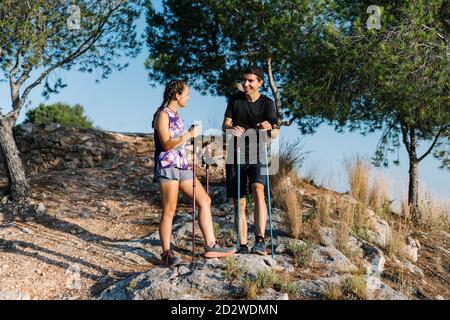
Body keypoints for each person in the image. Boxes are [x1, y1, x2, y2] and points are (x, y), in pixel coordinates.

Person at [153, 79, 236, 267]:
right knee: (169, 210)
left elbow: (179, 144)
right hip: (168, 167)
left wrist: (199, 151)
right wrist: (189, 135)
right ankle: (166, 253)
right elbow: (166, 144)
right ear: (177, 95)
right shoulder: (162, 116)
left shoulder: (177, 116)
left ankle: (211, 245)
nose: (189, 98)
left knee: (205, 200)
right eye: (187, 94)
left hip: (182, 166)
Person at [222, 67, 279, 255]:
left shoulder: (267, 104)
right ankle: (242, 244)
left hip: (258, 153)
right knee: (240, 201)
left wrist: (269, 128)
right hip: (235, 153)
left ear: (260, 83)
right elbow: (225, 125)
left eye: (250, 81)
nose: (246, 84)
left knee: (258, 190)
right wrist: (232, 130)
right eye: (244, 80)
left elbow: (275, 132)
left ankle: (260, 240)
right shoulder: (235, 100)